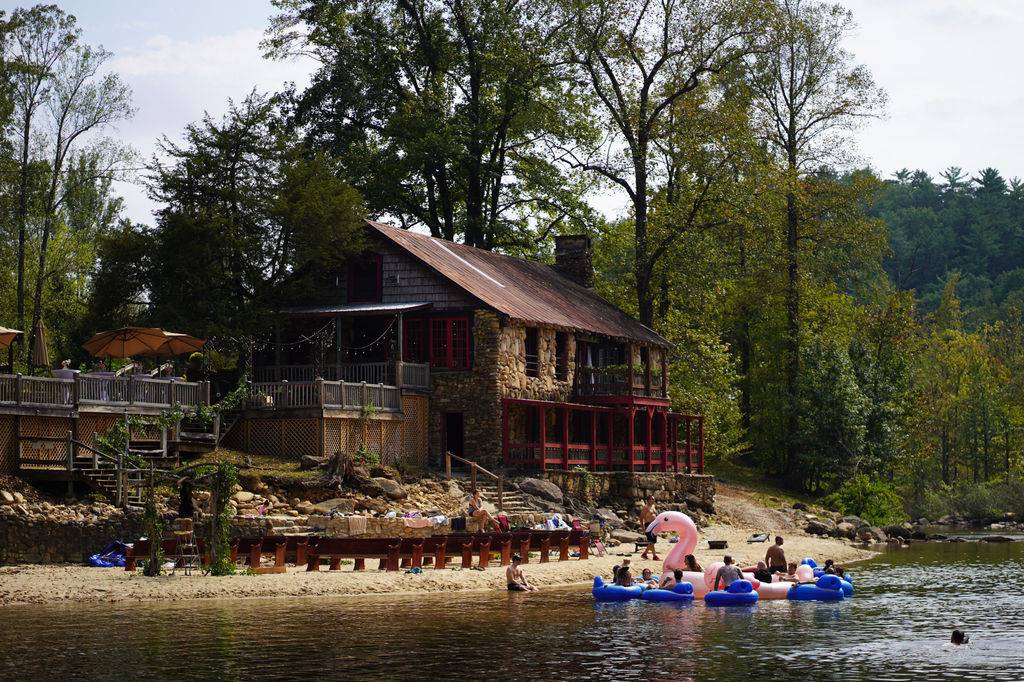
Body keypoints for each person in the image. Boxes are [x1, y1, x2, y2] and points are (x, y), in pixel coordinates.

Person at [639, 495, 661, 561]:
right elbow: (641, 518)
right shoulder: (645, 507)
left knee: (653, 541)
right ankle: (654, 556)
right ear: (648, 500)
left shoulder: (653, 506)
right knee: (651, 541)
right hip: (648, 525)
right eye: (651, 499)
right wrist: (643, 528)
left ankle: (645, 554)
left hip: (654, 525)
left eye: (653, 499)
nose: (653, 500)